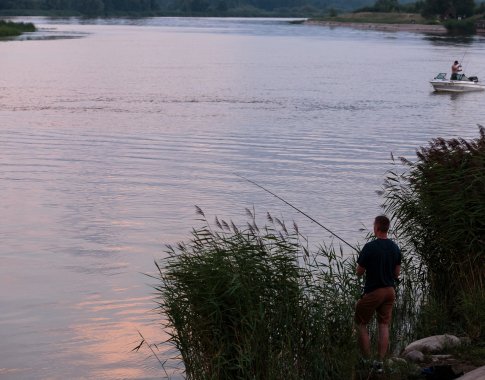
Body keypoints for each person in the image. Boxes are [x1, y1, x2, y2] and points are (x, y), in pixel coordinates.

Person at [354, 215, 401, 373]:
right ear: (387, 228)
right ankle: (380, 362)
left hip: (375, 292)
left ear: (376, 228)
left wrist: (365, 265)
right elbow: (397, 273)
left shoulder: (370, 247)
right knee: (383, 325)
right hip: (390, 292)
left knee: (361, 323)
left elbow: (359, 272)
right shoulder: (395, 247)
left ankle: (367, 361)